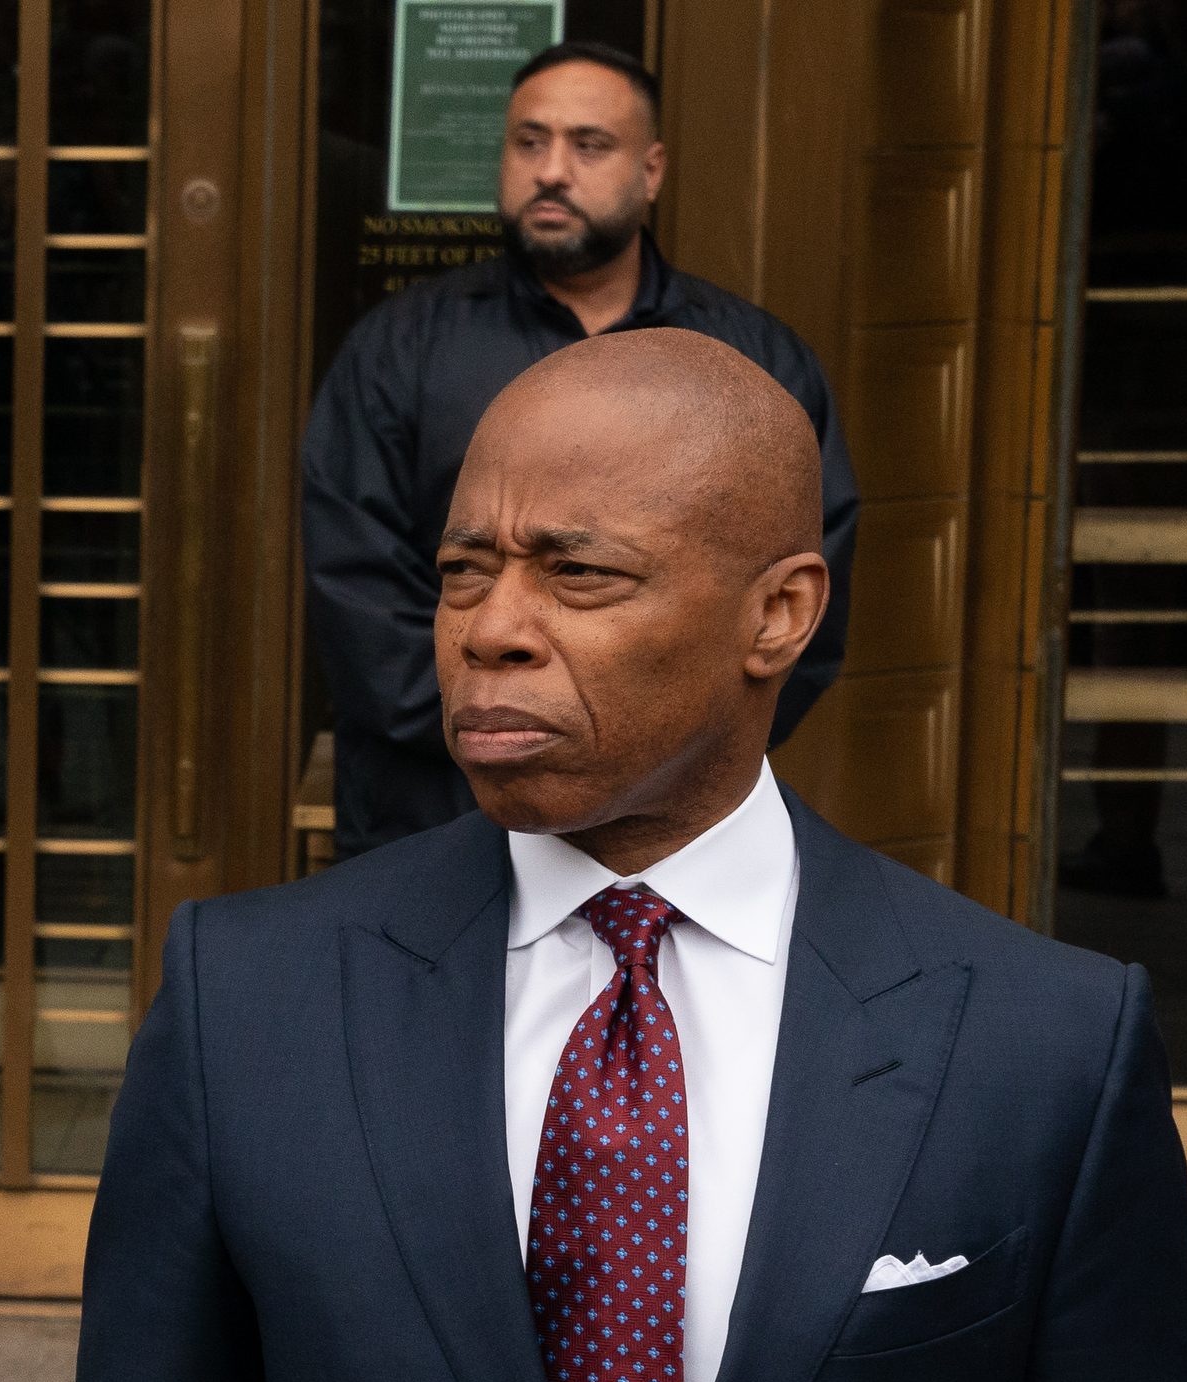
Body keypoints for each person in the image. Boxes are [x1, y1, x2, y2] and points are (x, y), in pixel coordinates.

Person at [64, 330, 1187, 1382]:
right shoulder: (246, 1002)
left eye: (576, 573)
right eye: (464, 570)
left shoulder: (1037, 1044)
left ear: (777, 615)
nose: (491, 631)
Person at [303, 39, 859, 858]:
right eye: (529, 142)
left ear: (653, 169)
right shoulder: (402, 350)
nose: (551, 170)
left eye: (588, 145)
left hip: (667, 836)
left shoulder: (754, 364)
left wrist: (655, 755)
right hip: (431, 820)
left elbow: (805, 595)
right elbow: (358, 597)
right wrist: (518, 733)